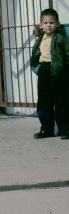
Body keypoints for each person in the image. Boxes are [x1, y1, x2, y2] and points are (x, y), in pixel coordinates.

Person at [30, 8, 69, 140]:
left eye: (51, 22)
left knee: (60, 101)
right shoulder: (41, 38)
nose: (48, 25)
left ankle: (64, 129)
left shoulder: (61, 38)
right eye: (45, 23)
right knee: (43, 101)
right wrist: (37, 67)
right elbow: (36, 53)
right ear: (41, 25)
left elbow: (67, 55)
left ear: (57, 24)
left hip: (57, 72)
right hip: (44, 70)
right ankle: (47, 129)